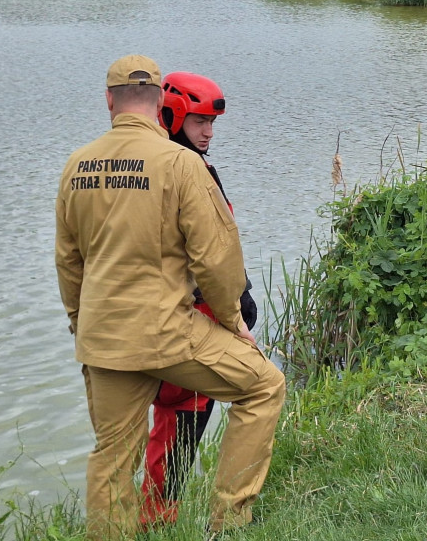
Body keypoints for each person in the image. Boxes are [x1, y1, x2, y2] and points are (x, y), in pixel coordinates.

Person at [55, 55, 285, 540]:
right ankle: (228, 526)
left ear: (108, 101)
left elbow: (68, 262)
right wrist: (231, 322)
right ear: (161, 102)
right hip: (168, 335)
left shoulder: (77, 165)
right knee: (263, 387)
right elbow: (216, 258)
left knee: (112, 458)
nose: (207, 131)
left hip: (104, 339)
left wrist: (82, 323)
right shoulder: (182, 164)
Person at [140, 72, 258, 527]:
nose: (209, 132)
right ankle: (164, 520)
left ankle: (171, 517)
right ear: (171, 118)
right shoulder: (176, 172)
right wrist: (232, 314)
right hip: (195, 325)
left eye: (212, 123)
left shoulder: (191, 167)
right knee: (179, 426)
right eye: (199, 122)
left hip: (211, 320)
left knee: (182, 428)